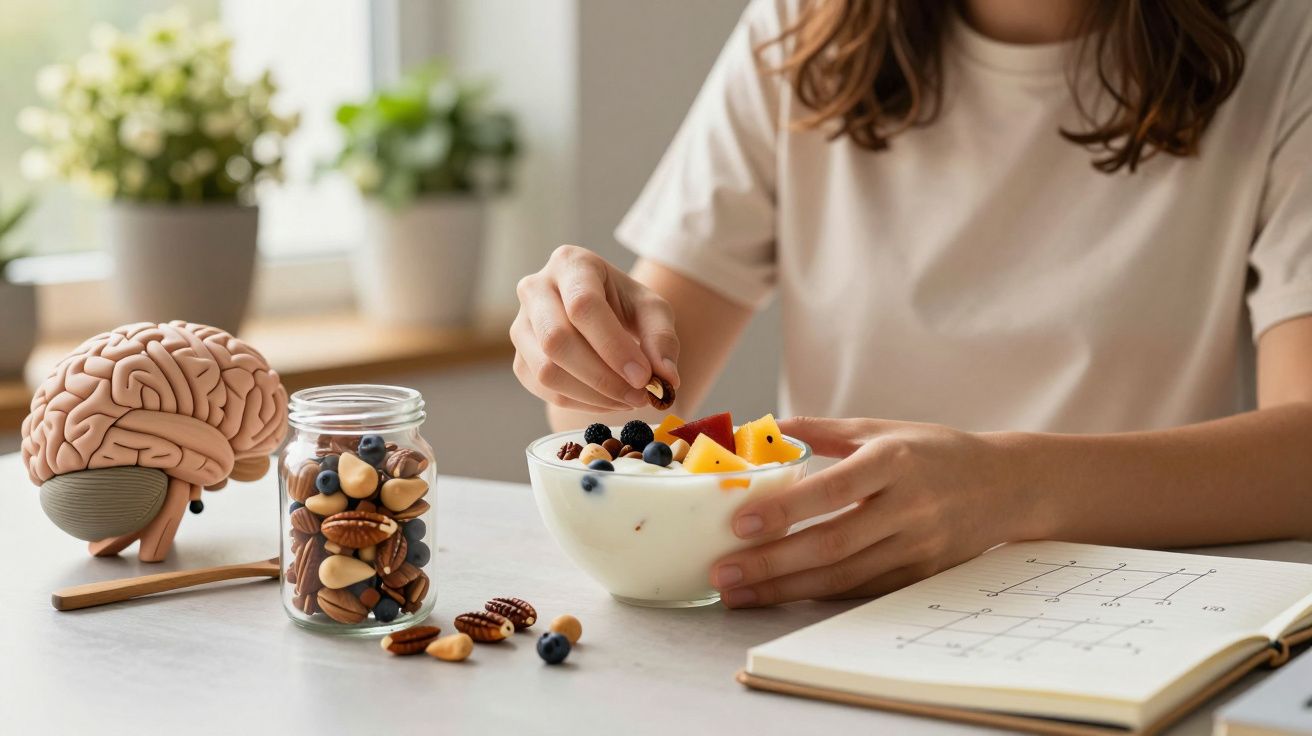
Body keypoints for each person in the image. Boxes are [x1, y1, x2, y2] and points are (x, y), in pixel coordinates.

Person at [510, 0, 1312, 608]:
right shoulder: (800, 26)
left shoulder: (1286, 37)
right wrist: (586, 339)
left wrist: (1015, 490)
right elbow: (605, 420)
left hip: (1132, 613)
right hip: (832, 620)